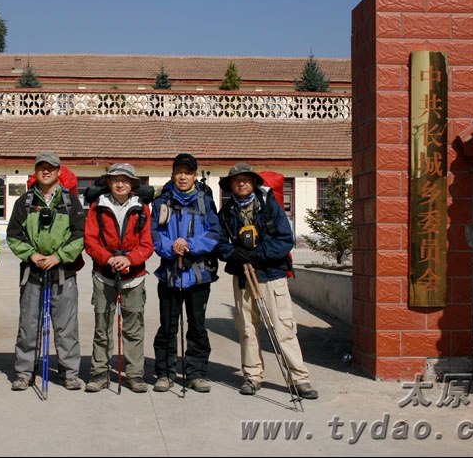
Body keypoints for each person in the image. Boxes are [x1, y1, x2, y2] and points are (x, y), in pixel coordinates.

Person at [215, 162, 318, 399]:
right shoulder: (227, 212)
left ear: (253, 182)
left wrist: (257, 253)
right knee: (247, 329)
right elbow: (219, 243)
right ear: (230, 185)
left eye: (245, 179)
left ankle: (300, 379)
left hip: (272, 275)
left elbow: (284, 239)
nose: (241, 183)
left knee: (283, 328)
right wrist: (234, 253)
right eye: (236, 180)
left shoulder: (270, 205)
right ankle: (252, 377)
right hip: (243, 276)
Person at [7, 151, 86, 391]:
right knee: (28, 326)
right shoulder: (25, 202)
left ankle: (69, 373)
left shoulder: (71, 201)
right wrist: (32, 255)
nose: (46, 171)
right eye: (41, 167)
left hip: (63, 273)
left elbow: (79, 235)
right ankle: (24, 373)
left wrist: (58, 257)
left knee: (66, 328)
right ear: (36, 171)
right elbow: (14, 235)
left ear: (59, 171)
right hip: (32, 273)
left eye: (50, 167)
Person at [150, 153, 221, 393]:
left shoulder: (205, 201)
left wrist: (189, 245)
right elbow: (154, 234)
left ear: (194, 175)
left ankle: (196, 373)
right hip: (170, 274)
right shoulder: (161, 202)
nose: (183, 176)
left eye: (187, 172)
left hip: (198, 274)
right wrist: (172, 247)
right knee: (168, 326)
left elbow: (214, 234)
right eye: (178, 172)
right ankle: (165, 373)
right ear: (172, 174)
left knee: (197, 326)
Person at [83, 163, 154, 393]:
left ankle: (135, 374)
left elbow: (147, 244)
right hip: (104, 275)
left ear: (132, 184)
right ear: (109, 182)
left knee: (133, 328)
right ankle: (99, 372)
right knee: (102, 326)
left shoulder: (142, 208)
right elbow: (90, 241)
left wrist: (130, 259)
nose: (120, 184)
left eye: (125, 180)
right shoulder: (97, 207)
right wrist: (108, 259)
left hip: (134, 276)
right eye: (115, 180)